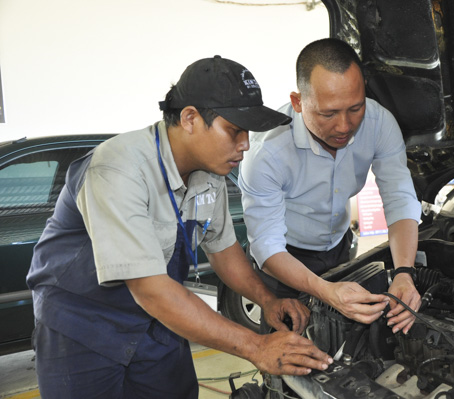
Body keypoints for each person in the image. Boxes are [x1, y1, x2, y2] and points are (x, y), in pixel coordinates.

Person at [26, 56, 332, 399]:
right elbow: (151, 289)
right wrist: (256, 346)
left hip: (159, 322)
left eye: (248, 133)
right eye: (234, 130)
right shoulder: (118, 170)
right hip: (83, 329)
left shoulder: (209, 173)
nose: (245, 144)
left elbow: (224, 250)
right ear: (190, 118)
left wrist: (267, 300)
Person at [238, 38, 423, 335]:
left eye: (355, 108)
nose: (344, 126)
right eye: (328, 113)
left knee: (344, 344)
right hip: (284, 261)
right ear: (298, 102)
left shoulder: (379, 123)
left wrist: (404, 272)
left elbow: (400, 198)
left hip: (339, 249)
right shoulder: (267, 152)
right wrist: (326, 291)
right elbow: (267, 245)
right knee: (286, 352)